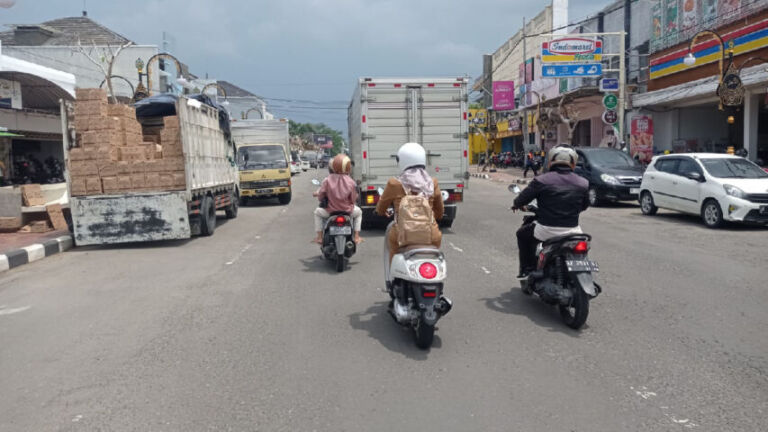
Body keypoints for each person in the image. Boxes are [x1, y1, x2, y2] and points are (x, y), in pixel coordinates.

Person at [512, 145, 589, 279]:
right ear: (573, 162)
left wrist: (516, 205)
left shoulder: (541, 180)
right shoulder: (583, 183)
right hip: (574, 231)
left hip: (546, 230)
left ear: (551, 160)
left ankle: (526, 269)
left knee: (522, 235)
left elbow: (522, 199)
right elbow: (584, 206)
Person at [376, 142, 444, 264]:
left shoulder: (394, 183)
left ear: (401, 161)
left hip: (401, 236)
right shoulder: (432, 183)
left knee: (393, 247)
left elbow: (381, 208)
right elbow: (440, 211)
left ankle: (392, 279)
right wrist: (436, 217)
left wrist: (381, 211)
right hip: (431, 235)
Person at [312, 154, 363, 245]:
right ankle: (356, 236)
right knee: (359, 213)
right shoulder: (351, 181)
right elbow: (353, 199)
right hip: (348, 211)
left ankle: (319, 237)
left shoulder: (327, 180)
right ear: (348, 167)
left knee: (317, 212)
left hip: (330, 212)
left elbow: (321, 196)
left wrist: (322, 199)